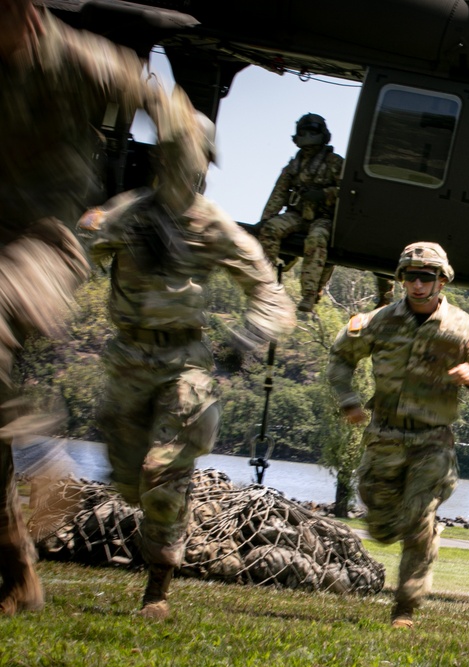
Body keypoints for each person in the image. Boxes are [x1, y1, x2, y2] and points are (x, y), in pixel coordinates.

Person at [79, 89, 297, 620]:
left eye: (188, 156)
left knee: (162, 473)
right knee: (127, 477)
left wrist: (248, 337)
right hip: (128, 355)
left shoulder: (211, 224)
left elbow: (270, 292)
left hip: (184, 362)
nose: (179, 165)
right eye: (172, 154)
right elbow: (74, 250)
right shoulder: (129, 212)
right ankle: (157, 527)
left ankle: (159, 586)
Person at [0, 0, 171, 616]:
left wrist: (167, 194)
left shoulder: (77, 58)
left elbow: (168, 110)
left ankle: (46, 460)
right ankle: (19, 566)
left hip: (38, 244)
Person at [327, 242, 469, 628]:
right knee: (380, 526)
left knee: (418, 521)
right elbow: (341, 357)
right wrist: (348, 400)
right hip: (384, 434)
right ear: (400, 279)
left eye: (426, 277)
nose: (417, 284)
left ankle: (405, 609)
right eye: (410, 276)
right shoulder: (378, 322)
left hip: (432, 440)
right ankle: (413, 533)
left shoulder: (464, 329)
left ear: (441, 281)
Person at [257, 113, 394, 312]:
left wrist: (324, 194)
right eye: (303, 134)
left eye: (312, 133)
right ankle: (264, 282)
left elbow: (349, 192)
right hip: (297, 214)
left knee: (317, 238)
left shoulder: (335, 163)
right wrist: (266, 218)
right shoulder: (294, 166)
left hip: (325, 218)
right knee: (270, 229)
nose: (307, 139)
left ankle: (310, 294)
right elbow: (278, 194)